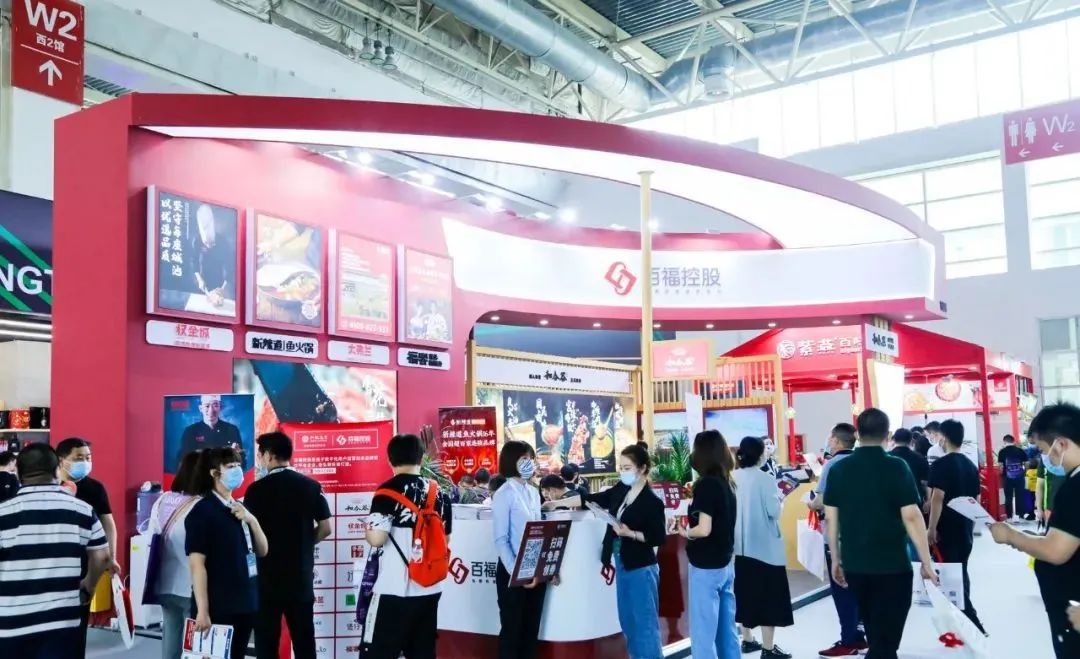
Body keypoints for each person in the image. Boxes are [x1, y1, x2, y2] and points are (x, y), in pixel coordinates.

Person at [824, 409, 938, 659]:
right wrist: (926, 561)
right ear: (888, 435)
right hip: (893, 565)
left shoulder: (838, 469)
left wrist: (836, 559)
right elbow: (911, 516)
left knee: (876, 635)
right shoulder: (897, 466)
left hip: (855, 564)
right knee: (885, 642)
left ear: (858, 434)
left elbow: (831, 518)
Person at [546, 444, 666, 659]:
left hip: (641, 567)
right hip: (622, 562)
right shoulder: (622, 490)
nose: (623, 472)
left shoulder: (652, 501)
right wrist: (557, 504)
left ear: (642, 468)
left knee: (645, 625)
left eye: (627, 468)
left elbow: (657, 537)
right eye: (621, 468)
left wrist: (630, 533)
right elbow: (592, 499)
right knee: (628, 622)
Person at [0, 443, 110, 658]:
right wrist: (88, 586)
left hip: (11, 622)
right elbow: (102, 556)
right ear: (57, 470)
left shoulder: (3, 513)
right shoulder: (82, 510)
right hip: (63, 623)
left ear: (18, 473)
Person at [990, 403, 1080, 658]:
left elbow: (1056, 551)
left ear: (1060, 444)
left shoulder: (1075, 488)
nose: (1044, 458)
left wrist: (1012, 536)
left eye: (1042, 449)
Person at [363, 433, 453, 659]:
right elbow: (446, 540)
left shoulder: (386, 492)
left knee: (377, 653)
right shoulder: (440, 494)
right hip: (430, 588)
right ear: (421, 458)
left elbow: (377, 539)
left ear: (390, 459)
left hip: (393, 588)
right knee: (422, 652)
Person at [244, 432, 332, 659]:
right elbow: (325, 528)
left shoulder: (255, 490)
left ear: (269, 455)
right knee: (304, 642)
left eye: (260, 455)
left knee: (266, 642)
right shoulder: (311, 486)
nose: (260, 460)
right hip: (300, 577)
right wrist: (304, 543)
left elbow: (248, 534)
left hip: (266, 578)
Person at [186, 447, 269, 658]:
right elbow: (197, 565)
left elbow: (262, 550)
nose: (237, 470)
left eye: (238, 465)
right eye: (230, 466)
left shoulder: (239, 507)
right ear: (214, 473)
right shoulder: (202, 512)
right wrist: (202, 610)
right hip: (219, 605)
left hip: (245, 601)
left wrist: (252, 520)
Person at [56, 436, 120, 656]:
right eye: (78, 458)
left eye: (88, 457)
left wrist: (111, 556)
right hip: (52, 561)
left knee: (78, 622)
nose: (84, 462)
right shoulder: (50, 486)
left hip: (83, 564)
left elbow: (108, 523)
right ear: (61, 460)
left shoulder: (94, 488)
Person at [679, 429, 739, 659]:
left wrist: (686, 532)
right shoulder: (727, 483)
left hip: (705, 567)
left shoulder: (706, 485)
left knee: (703, 633)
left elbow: (704, 529)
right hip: (725, 563)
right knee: (726, 631)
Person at [810, 423, 867, 658]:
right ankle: (858, 636)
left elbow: (821, 501)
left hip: (838, 534)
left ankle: (848, 640)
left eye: (830, 438)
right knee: (859, 587)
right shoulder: (862, 462)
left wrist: (811, 504)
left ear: (835, 441)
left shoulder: (832, 465)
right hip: (862, 534)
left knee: (842, 589)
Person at [733, 437, 792, 659]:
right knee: (769, 597)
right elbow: (773, 511)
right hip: (765, 548)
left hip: (739, 547)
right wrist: (782, 500)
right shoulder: (765, 479)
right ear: (760, 455)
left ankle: (747, 639)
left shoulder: (731, 477)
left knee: (743, 593)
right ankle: (768, 648)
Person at [492, 440, 553, 659]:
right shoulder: (504, 493)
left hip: (534, 568)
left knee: (530, 632)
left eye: (531, 459)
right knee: (512, 632)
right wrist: (517, 572)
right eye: (524, 459)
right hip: (512, 572)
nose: (530, 463)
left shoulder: (533, 492)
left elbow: (538, 532)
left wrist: (543, 568)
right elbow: (501, 539)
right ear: (512, 461)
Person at [927, 419, 987, 635]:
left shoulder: (940, 465)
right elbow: (976, 499)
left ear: (943, 438)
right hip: (964, 527)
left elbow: (937, 499)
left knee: (950, 575)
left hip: (946, 528)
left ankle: (971, 622)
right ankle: (961, 621)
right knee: (960, 570)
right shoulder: (970, 465)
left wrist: (931, 528)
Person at [149, 450, 203, 659]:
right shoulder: (201, 505)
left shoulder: (163, 500)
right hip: (192, 586)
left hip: (164, 581)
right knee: (194, 645)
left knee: (171, 636)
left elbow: (152, 535)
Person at [177, 395, 245, 471]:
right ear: (201, 408)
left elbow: (242, 462)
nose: (211, 410)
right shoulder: (190, 431)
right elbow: (182, 462)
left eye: (215, 405)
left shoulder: (232, 429)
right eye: (207, 406)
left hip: (224, 476)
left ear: (220, 407)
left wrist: (237, 455)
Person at [192, 204, 230, 308]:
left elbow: (229, 269)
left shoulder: (223, 242)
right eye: (206, 244)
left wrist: (223, 289)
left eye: (210, 244)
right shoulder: (197, 241)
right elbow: (194, 262)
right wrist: (199, 279)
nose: (208, 246)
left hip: (219, 285)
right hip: (202, 285)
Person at [890, 428, 929, 506]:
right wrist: (927, 500)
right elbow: (925, 482)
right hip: (914, 501)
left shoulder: (887, 456)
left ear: (894, 440)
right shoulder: (920, 458)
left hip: (890, 500)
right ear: (911, 441)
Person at [999, 434, 1030, 521]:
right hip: (1020, 477)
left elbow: (1001, 466)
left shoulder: (1002, 452)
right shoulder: (1020, 450)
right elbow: (1027, 463)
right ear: (1013, 441)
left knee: (1008, 497)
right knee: (1020, 496)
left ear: (1004, 442)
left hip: (1007, 478)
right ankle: (1021, 515)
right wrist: (1024, 472)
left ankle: (1009, 516)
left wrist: (1002, 473)